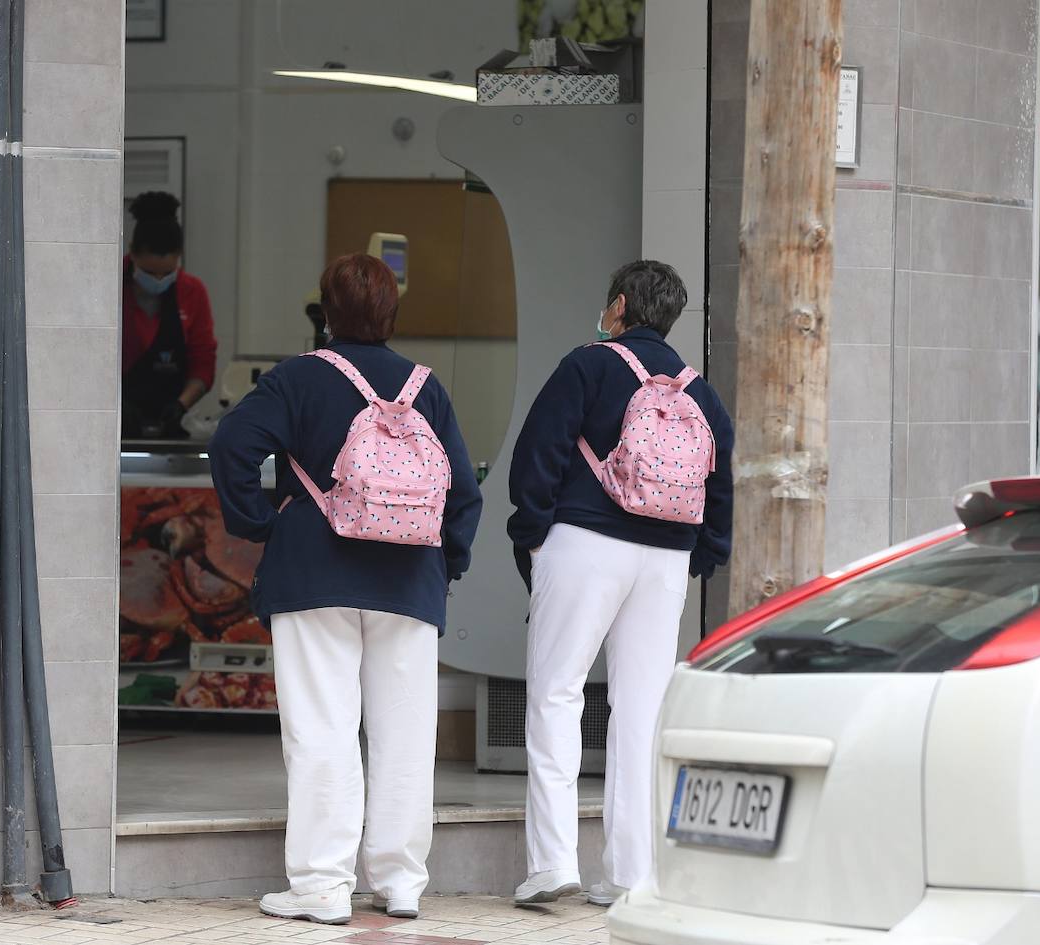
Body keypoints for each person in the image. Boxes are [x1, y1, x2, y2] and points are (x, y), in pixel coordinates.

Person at [209, 254, 483, 925]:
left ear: (327, 312)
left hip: (315, 575)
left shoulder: (299, 378)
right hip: (410, 582)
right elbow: (464, 494)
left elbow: (231, 447)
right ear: (392, 312)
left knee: (323, 730)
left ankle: (322, 886)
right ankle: (399, 882)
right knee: (405, 733)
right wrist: (444, 564)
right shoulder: (427, 388)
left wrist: (257, 521)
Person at [507, 260, 734, 907]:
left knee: (556, 693)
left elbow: (537, 456)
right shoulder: (702, 395)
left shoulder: (588, 365)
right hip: (664, 560)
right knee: (640, 712)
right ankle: (630, 873)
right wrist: (699, 557)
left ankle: (552, 861)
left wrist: (533, 532)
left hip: (584, 543)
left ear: (620, 306)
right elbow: (721, 494)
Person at [121, 191, 217, 439]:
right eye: (149, 272)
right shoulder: (110, 284)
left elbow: (203, 361)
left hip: (170, 419)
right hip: (114, 417)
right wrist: (112, 403)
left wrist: (181, 405)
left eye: (167, 273)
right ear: (132, 253)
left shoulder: (192, 292)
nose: (158, 281)